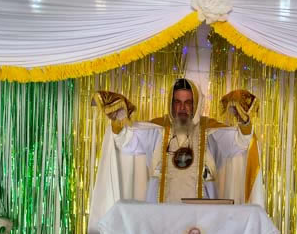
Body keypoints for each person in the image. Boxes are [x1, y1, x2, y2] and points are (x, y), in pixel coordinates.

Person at [90, 78, 264, 221]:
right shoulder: (158, 129)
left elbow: (240, 142)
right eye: (178, 102)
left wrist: (244, 121)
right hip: (160, 215)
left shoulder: (209, 130)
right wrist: (118, 119)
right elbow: (126, 140)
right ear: (171, 104)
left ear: (195, 105)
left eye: (188, 103)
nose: (182, 108)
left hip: (203, 219)